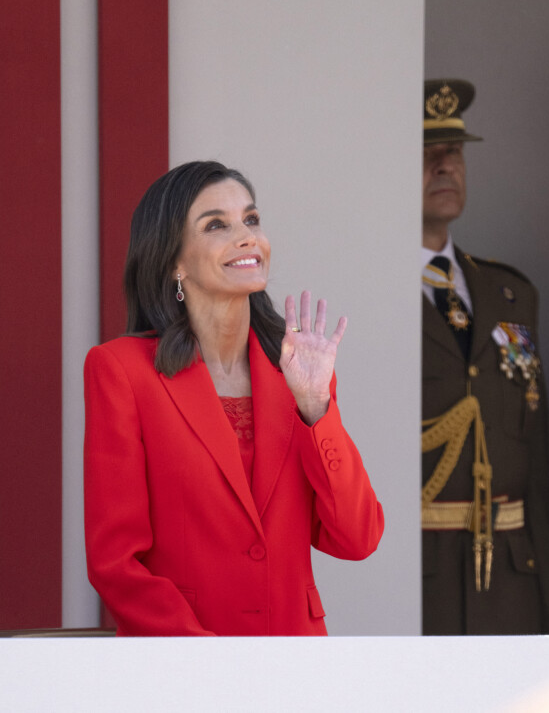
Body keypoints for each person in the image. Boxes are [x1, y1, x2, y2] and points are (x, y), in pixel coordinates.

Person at [84, 160, 384, 636]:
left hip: (296, 663)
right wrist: (207, 660)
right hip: (185, 665)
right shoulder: (120, 370)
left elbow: (358, 537)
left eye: (252, 219)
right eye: (216, 225)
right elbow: (115, 562)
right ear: (173, 260)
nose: (247, 237)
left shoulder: (298, 370)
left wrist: (315, 408)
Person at [421, 78, 549, 634]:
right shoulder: (372, 297)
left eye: (453, 152)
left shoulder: (511, 294)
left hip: (512, 586)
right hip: (419, 584)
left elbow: (537, 472)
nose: (444, 167)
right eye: (426, 153)